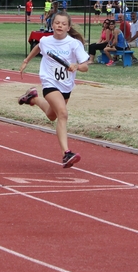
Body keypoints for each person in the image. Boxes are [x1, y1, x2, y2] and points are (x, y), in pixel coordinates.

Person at [18, 11, 89, 168]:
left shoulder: (73, 44)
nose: (60, 26)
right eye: (57, 23)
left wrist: (76, 66)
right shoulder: (46, 41)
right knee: (62, 114)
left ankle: (33, 98)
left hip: (66, 85)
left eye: (63, 24)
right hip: (49, 82)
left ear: (68, 27)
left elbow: (85, 66)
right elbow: (38, 47)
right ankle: (66, 153)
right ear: (52, 24)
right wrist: (26, 61)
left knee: (52, 115)